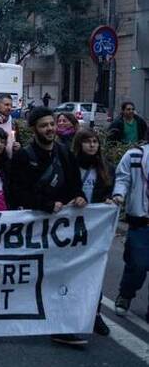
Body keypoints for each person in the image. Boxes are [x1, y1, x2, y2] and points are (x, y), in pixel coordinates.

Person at [9, 106, 87, 347]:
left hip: (60, 230)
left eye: (52, 124)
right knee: (36, 277)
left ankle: (61, 326)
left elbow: (74, 184)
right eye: (44, 126)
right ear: (34, 129)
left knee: (61, 277)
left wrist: (80, 197)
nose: (50, 129)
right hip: (34, 229)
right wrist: (45, 204)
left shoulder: (64, 154)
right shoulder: (24, 157)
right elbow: (15, 192)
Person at [72, 128, 113, 336]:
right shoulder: (70, 165)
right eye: (87, 141)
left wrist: (110, 200)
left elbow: (110, 190)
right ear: (79, 144)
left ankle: (95, 314)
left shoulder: (106, 167)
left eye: (95, 142)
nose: (92, 145)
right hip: (71, 228)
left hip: (95, 229)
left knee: (94, 271)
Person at [110, 137, 149, 323]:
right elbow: (123, 178)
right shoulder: (134, 156)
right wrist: (119, 195)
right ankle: (125, 294)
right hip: (141, 221)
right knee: (137, 264)